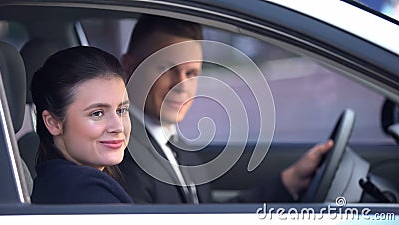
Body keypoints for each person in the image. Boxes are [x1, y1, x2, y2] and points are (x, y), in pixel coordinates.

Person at [119, 15, 333, 204]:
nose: (181, 85)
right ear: (129, 68)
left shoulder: (177, 145)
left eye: (191, 73)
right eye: (165, 68)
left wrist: (290, 181)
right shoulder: (120, 155)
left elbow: (209, 215)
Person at [30, 46, 133, 204]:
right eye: (97, 113)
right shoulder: (85, 191)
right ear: (53, 123)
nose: (118, 127)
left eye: (121, 110)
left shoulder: (60, 181)